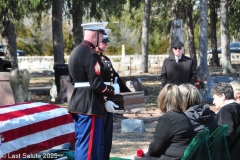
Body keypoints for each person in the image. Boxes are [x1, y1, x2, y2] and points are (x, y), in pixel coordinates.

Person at [68, 22, 119, 160]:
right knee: (90, 148)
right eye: (101, 34)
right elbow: (97, 84)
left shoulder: (75, 51)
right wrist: (112, 90)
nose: (102, 38)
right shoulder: (91, 54)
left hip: (78, 103)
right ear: (94, 34)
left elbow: (72, 80)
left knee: (81, 144)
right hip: (90, 106)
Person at [95, 30, 131, 159]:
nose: (106, 44)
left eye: (106, 42)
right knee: (99, 137)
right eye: (104, 42)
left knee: (107, 136)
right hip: (99, 100)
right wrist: (105, 100)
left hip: (109, 99)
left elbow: (115, 78)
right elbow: (96, 83)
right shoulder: (94, 58)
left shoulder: (105, 59)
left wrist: (129, 93)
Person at [139, 84, 194, 160]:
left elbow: (155, 149)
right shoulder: (183, 117)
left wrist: (146, 153)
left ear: (162, 100)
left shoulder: (168, 118)